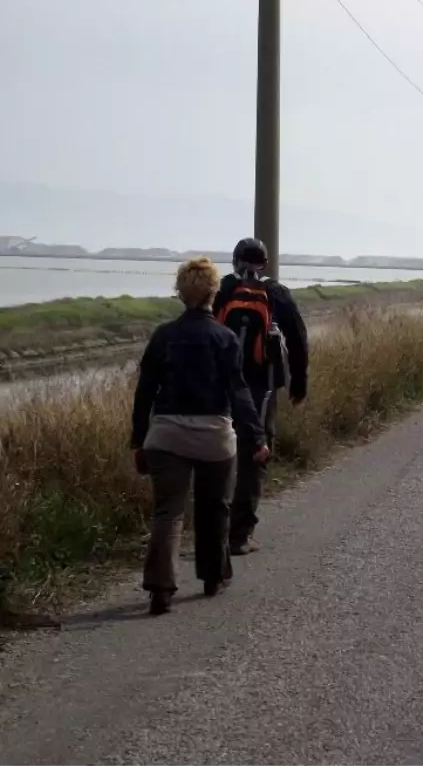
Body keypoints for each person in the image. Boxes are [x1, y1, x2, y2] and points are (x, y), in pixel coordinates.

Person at [131, 257, 269, 615]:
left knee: (168, 512)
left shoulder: (163, 335)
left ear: (180, 293)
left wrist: (138, 440)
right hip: (213, 436)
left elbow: (144, 391)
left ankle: (161, 589)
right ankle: (212, 576)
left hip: (166, 435)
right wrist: (256, 437)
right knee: (214, 508)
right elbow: (239, 393)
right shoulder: (224, 338)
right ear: (213, 293)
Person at [214, 238, 309, 555]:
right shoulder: (277, 293)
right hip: (263, 387)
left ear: (235, 260)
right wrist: (299, 383)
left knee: (220, 454)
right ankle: (240, 536)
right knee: (256, 455)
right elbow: (297, 338)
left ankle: (214, 530)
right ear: (265, 264)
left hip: (222, 386)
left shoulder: (224, 289)